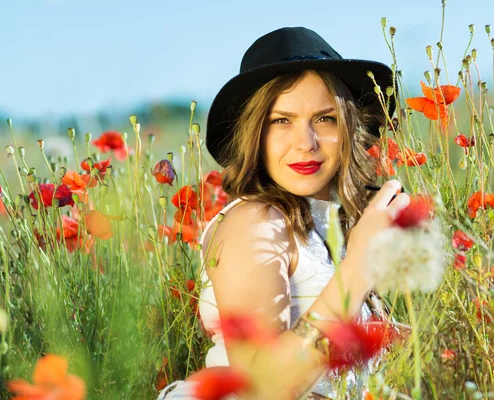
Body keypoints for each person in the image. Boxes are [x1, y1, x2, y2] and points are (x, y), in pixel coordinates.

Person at [157, 26, 410, 400]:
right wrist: (359, 268)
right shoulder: (256, 221)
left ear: (349, 127)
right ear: (254, 135)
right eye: (281, 121)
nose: (305, 143)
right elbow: (262, 386)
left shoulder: (331, 226)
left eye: (325, 119)